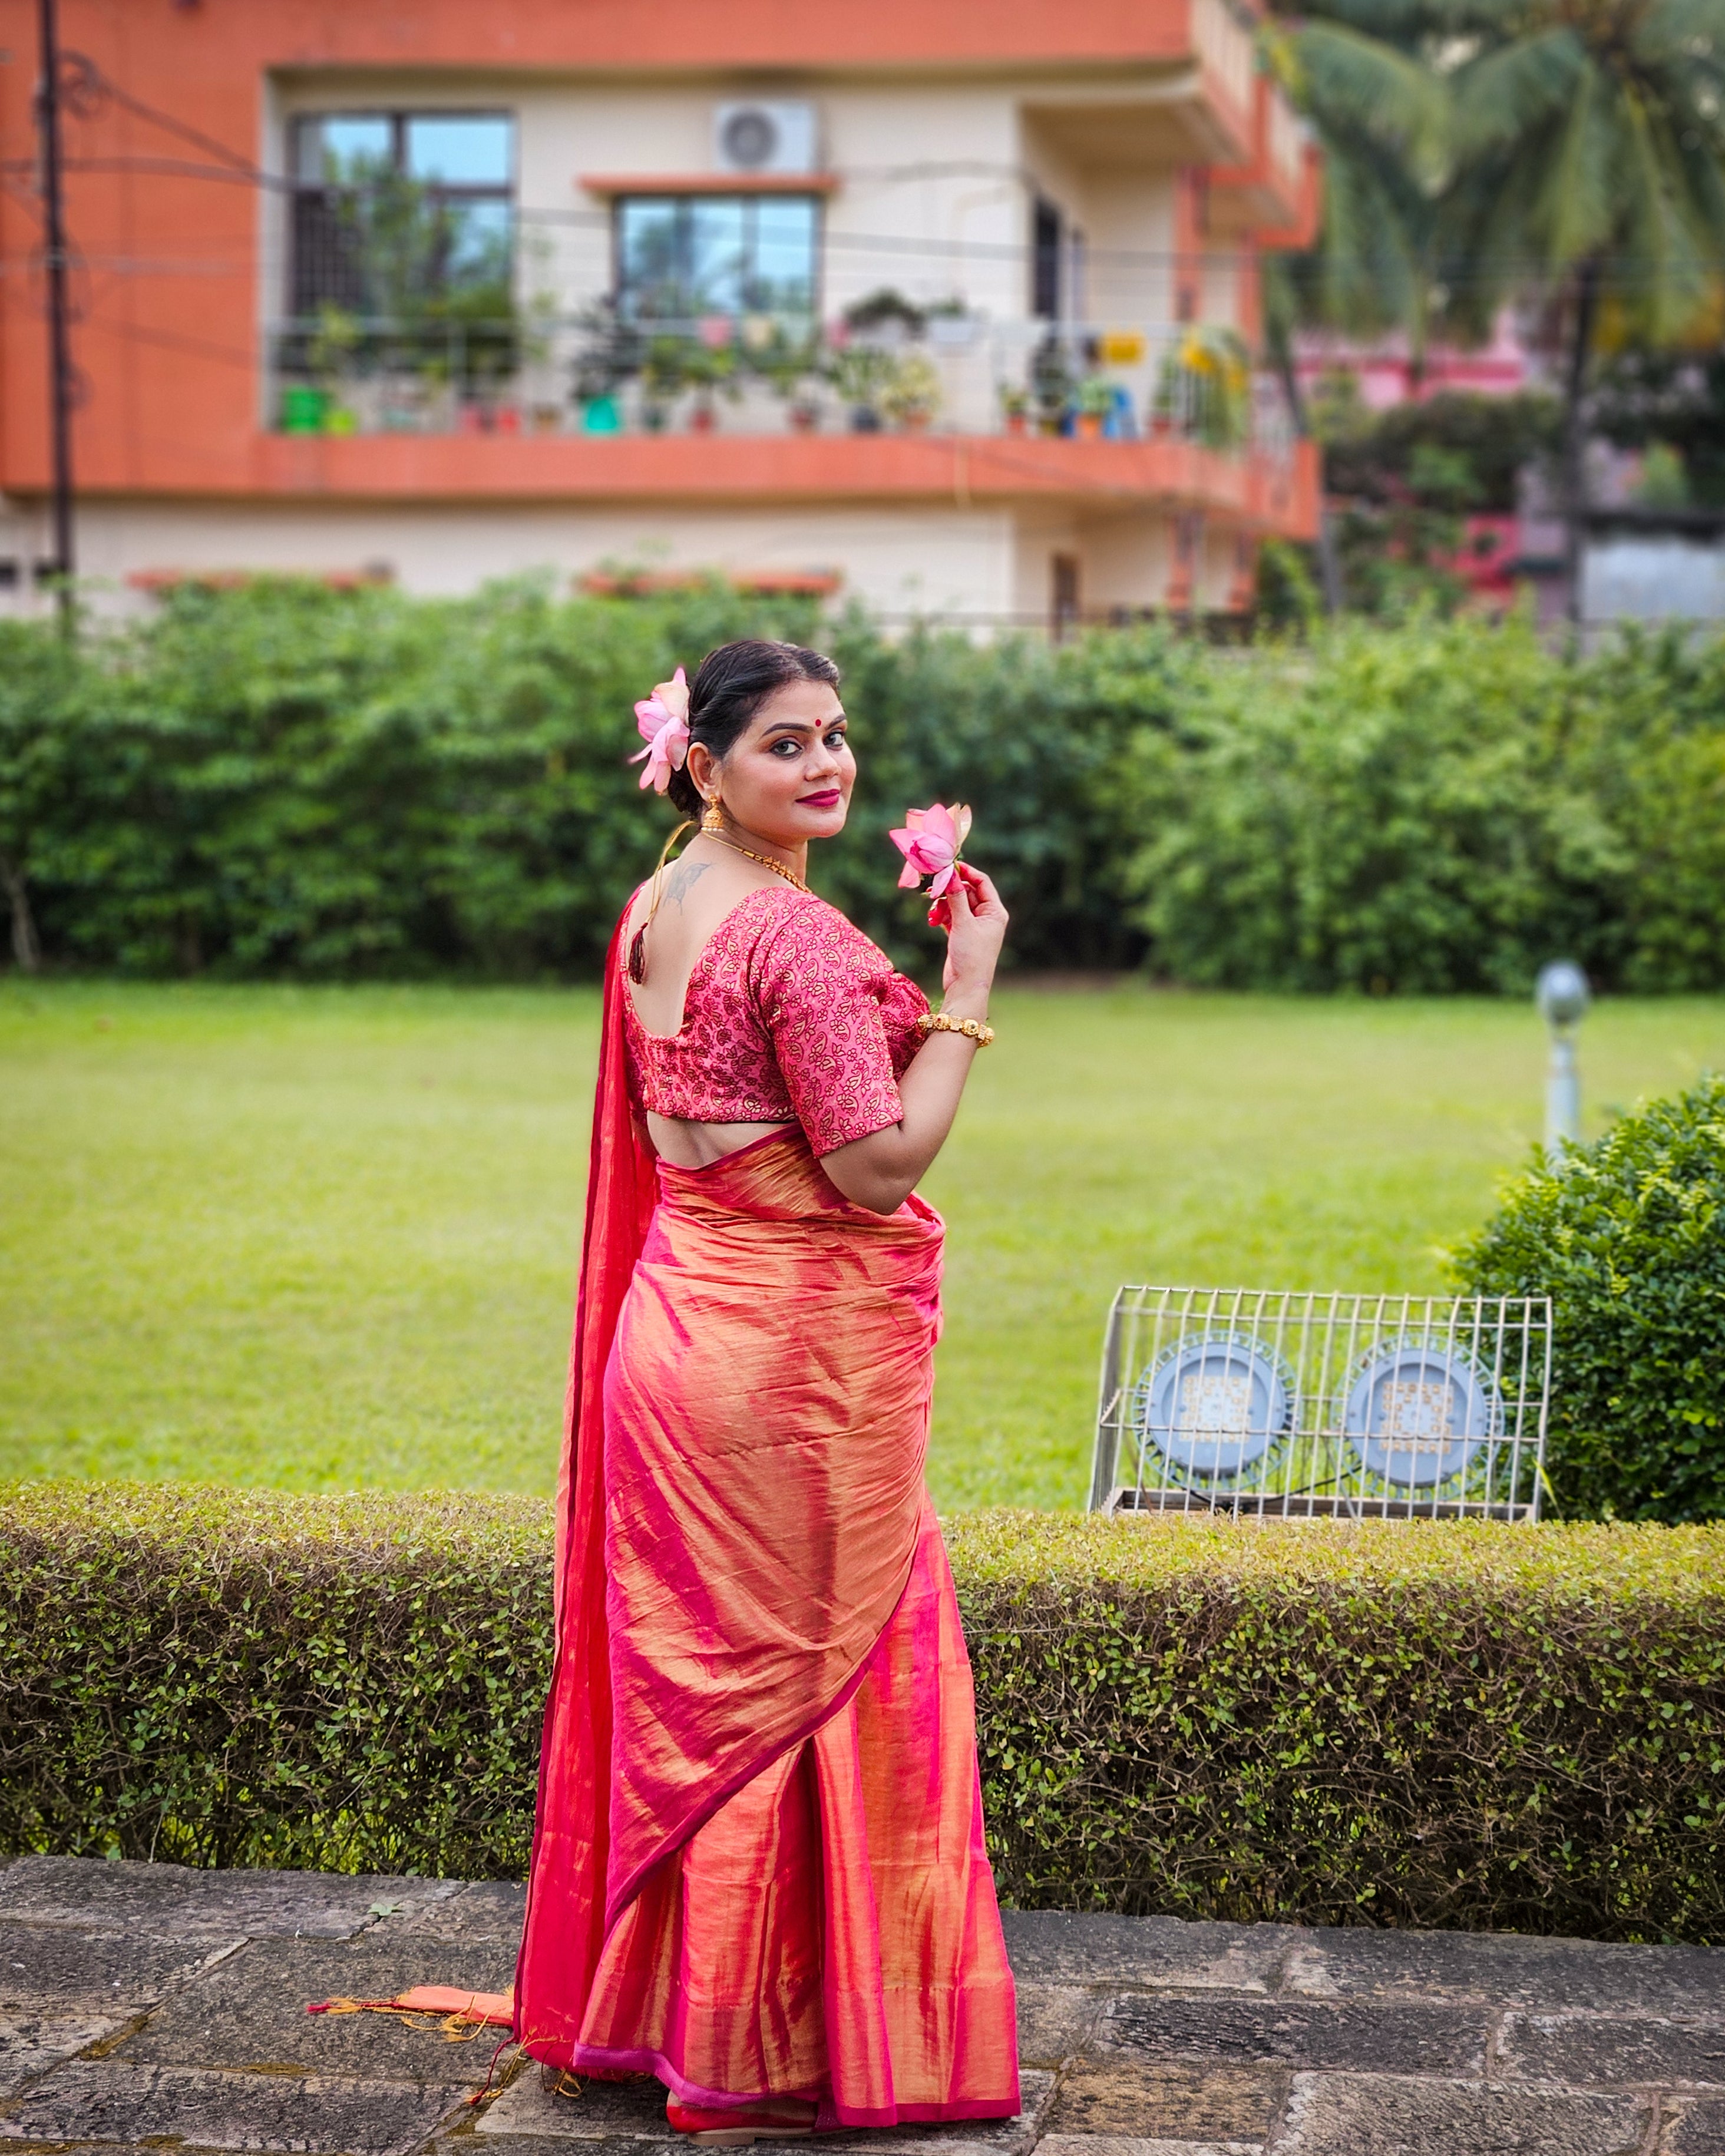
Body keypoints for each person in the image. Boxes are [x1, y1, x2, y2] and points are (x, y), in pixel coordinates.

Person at [514, 639, 1018, 2145]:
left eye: (838, 736)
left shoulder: (659, 905)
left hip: (676, 1342)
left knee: (711, 1687)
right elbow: (874, 1169)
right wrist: (968, 996)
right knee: (829, 1673)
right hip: (785, 1367)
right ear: (707, 765)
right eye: (787, 745)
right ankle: (795, 2043)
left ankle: (674, 2022)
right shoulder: (794, 941)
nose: (828, 766)